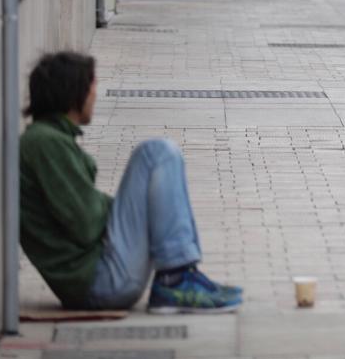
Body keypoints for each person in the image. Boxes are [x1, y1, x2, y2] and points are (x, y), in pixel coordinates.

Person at [19, 52, 242, 313]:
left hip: (103, 277)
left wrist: (135, 208)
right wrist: (133, 208)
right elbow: (87, 223)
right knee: (156, 153)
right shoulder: (45, 143)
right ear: (73, 93)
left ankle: (179, 274)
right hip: (102, 281)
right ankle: (175, 279)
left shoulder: (48, 140)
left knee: (158, 166)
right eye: (92, 87)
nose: (95, 96)